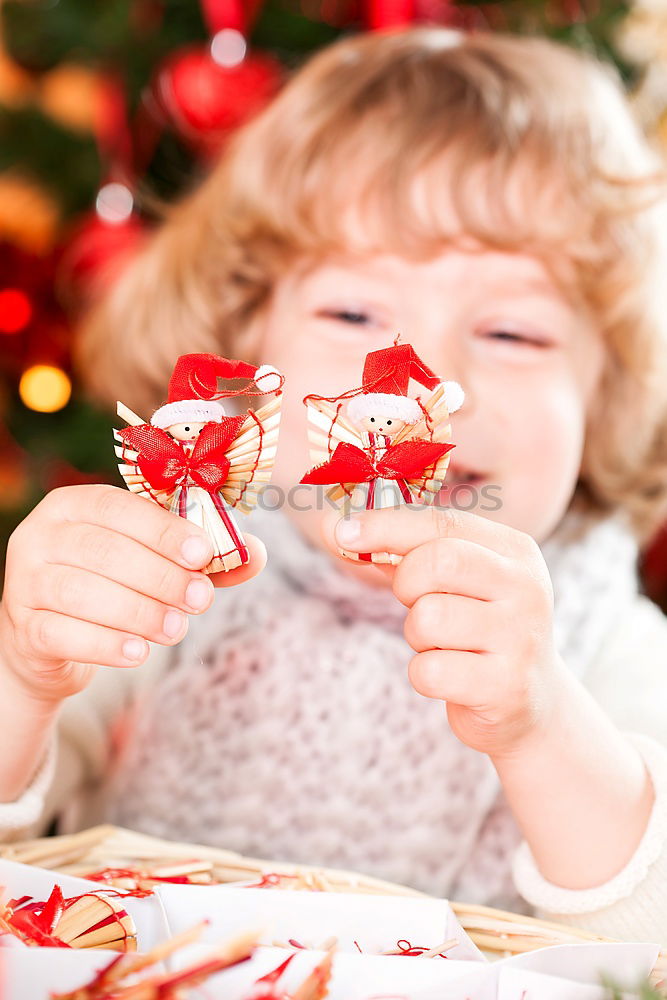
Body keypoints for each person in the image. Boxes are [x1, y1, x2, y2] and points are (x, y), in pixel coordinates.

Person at [2, 28, 667, 943]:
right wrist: (24, 671)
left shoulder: (604, 639)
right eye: (353, 311)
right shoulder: (183, 568)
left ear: (609, 390)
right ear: (248, 351)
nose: (420, 380)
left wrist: (539, 720)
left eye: (514, 332)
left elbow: (650, 926)